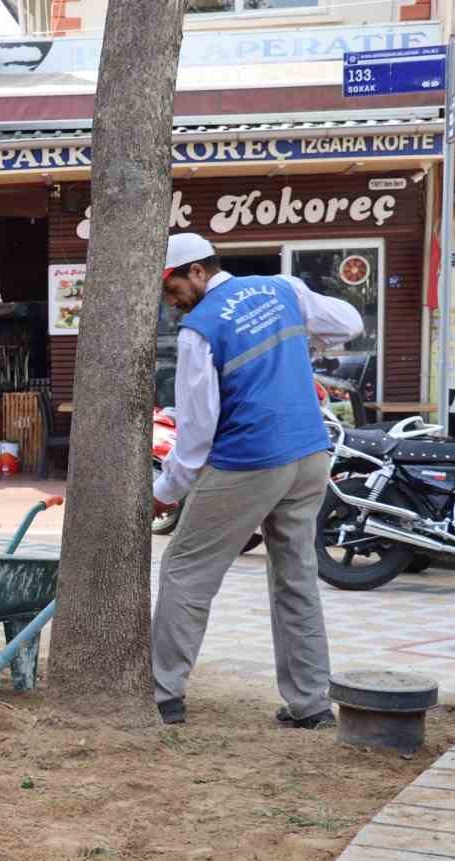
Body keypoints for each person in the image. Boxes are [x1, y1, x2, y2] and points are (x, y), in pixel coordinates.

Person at [151, 233, 362, 729]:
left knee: (186, 570)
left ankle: (163, 695)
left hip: (250, 459)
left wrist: (165, 492)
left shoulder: (199, 330)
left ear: (197, 272)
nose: (171, 300)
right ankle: (311, 705)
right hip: (309, 454)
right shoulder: (282, 287)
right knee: (296, 580)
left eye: (172, 287)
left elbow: (197, 434)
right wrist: (310, 339)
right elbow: (349, 323)